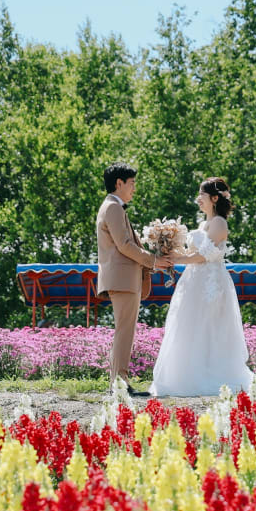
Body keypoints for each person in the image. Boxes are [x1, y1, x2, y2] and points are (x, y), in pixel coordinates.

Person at [148, 177, 256, 397]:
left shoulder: (219, 223)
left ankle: (211, 375)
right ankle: (187, 375)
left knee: (209, 327)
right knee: (190, 326)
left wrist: (177, 260)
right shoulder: (203, 224)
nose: (198, 199)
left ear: (213, 198)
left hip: (210, 284)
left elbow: (204, 256)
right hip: (194, 282)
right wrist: (169, 252)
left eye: (201, 195)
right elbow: (192, 254)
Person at [97, 161, 172, 396]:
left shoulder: (112, 207)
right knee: (124, 331)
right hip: (122, 279)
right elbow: (124, 245)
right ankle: (119, 385)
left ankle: (119, 383)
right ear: (119, 183)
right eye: (132, 184)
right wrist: (153, 260)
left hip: (122, 278)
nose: (134, 189)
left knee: (125, 330)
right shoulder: (113, 208)